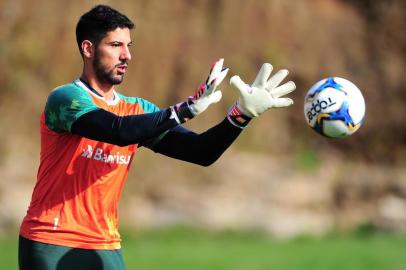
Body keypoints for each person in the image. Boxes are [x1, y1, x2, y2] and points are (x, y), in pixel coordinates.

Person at [18, 4, 296, 270]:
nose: (126, 55)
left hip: (105, 245)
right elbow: (117, 131)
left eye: (129, 46)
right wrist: (182, 110)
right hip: (50, 240)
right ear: (88, 48)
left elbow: (201, 152)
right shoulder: (65, 99)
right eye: (115, 45)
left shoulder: (139, 110)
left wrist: (241, 115)